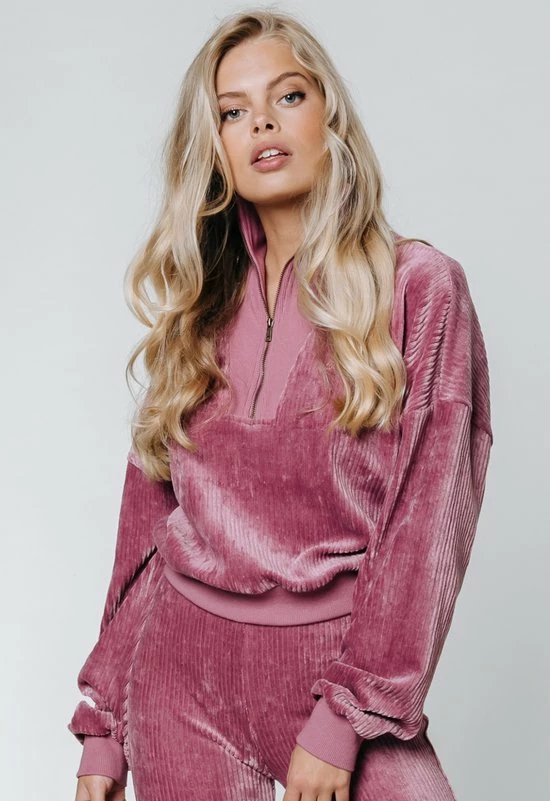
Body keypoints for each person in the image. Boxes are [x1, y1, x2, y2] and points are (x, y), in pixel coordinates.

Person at [68, 8, 493, 801]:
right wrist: (104, 724)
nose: (262, 121)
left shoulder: (419, 287)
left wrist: (345, 718)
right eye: (233, 112)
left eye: (288, 96)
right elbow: (149, 532)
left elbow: (428, 519)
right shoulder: (197, 310)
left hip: (338, 678)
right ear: (215, 147)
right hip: (180, 680)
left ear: (329, 114)